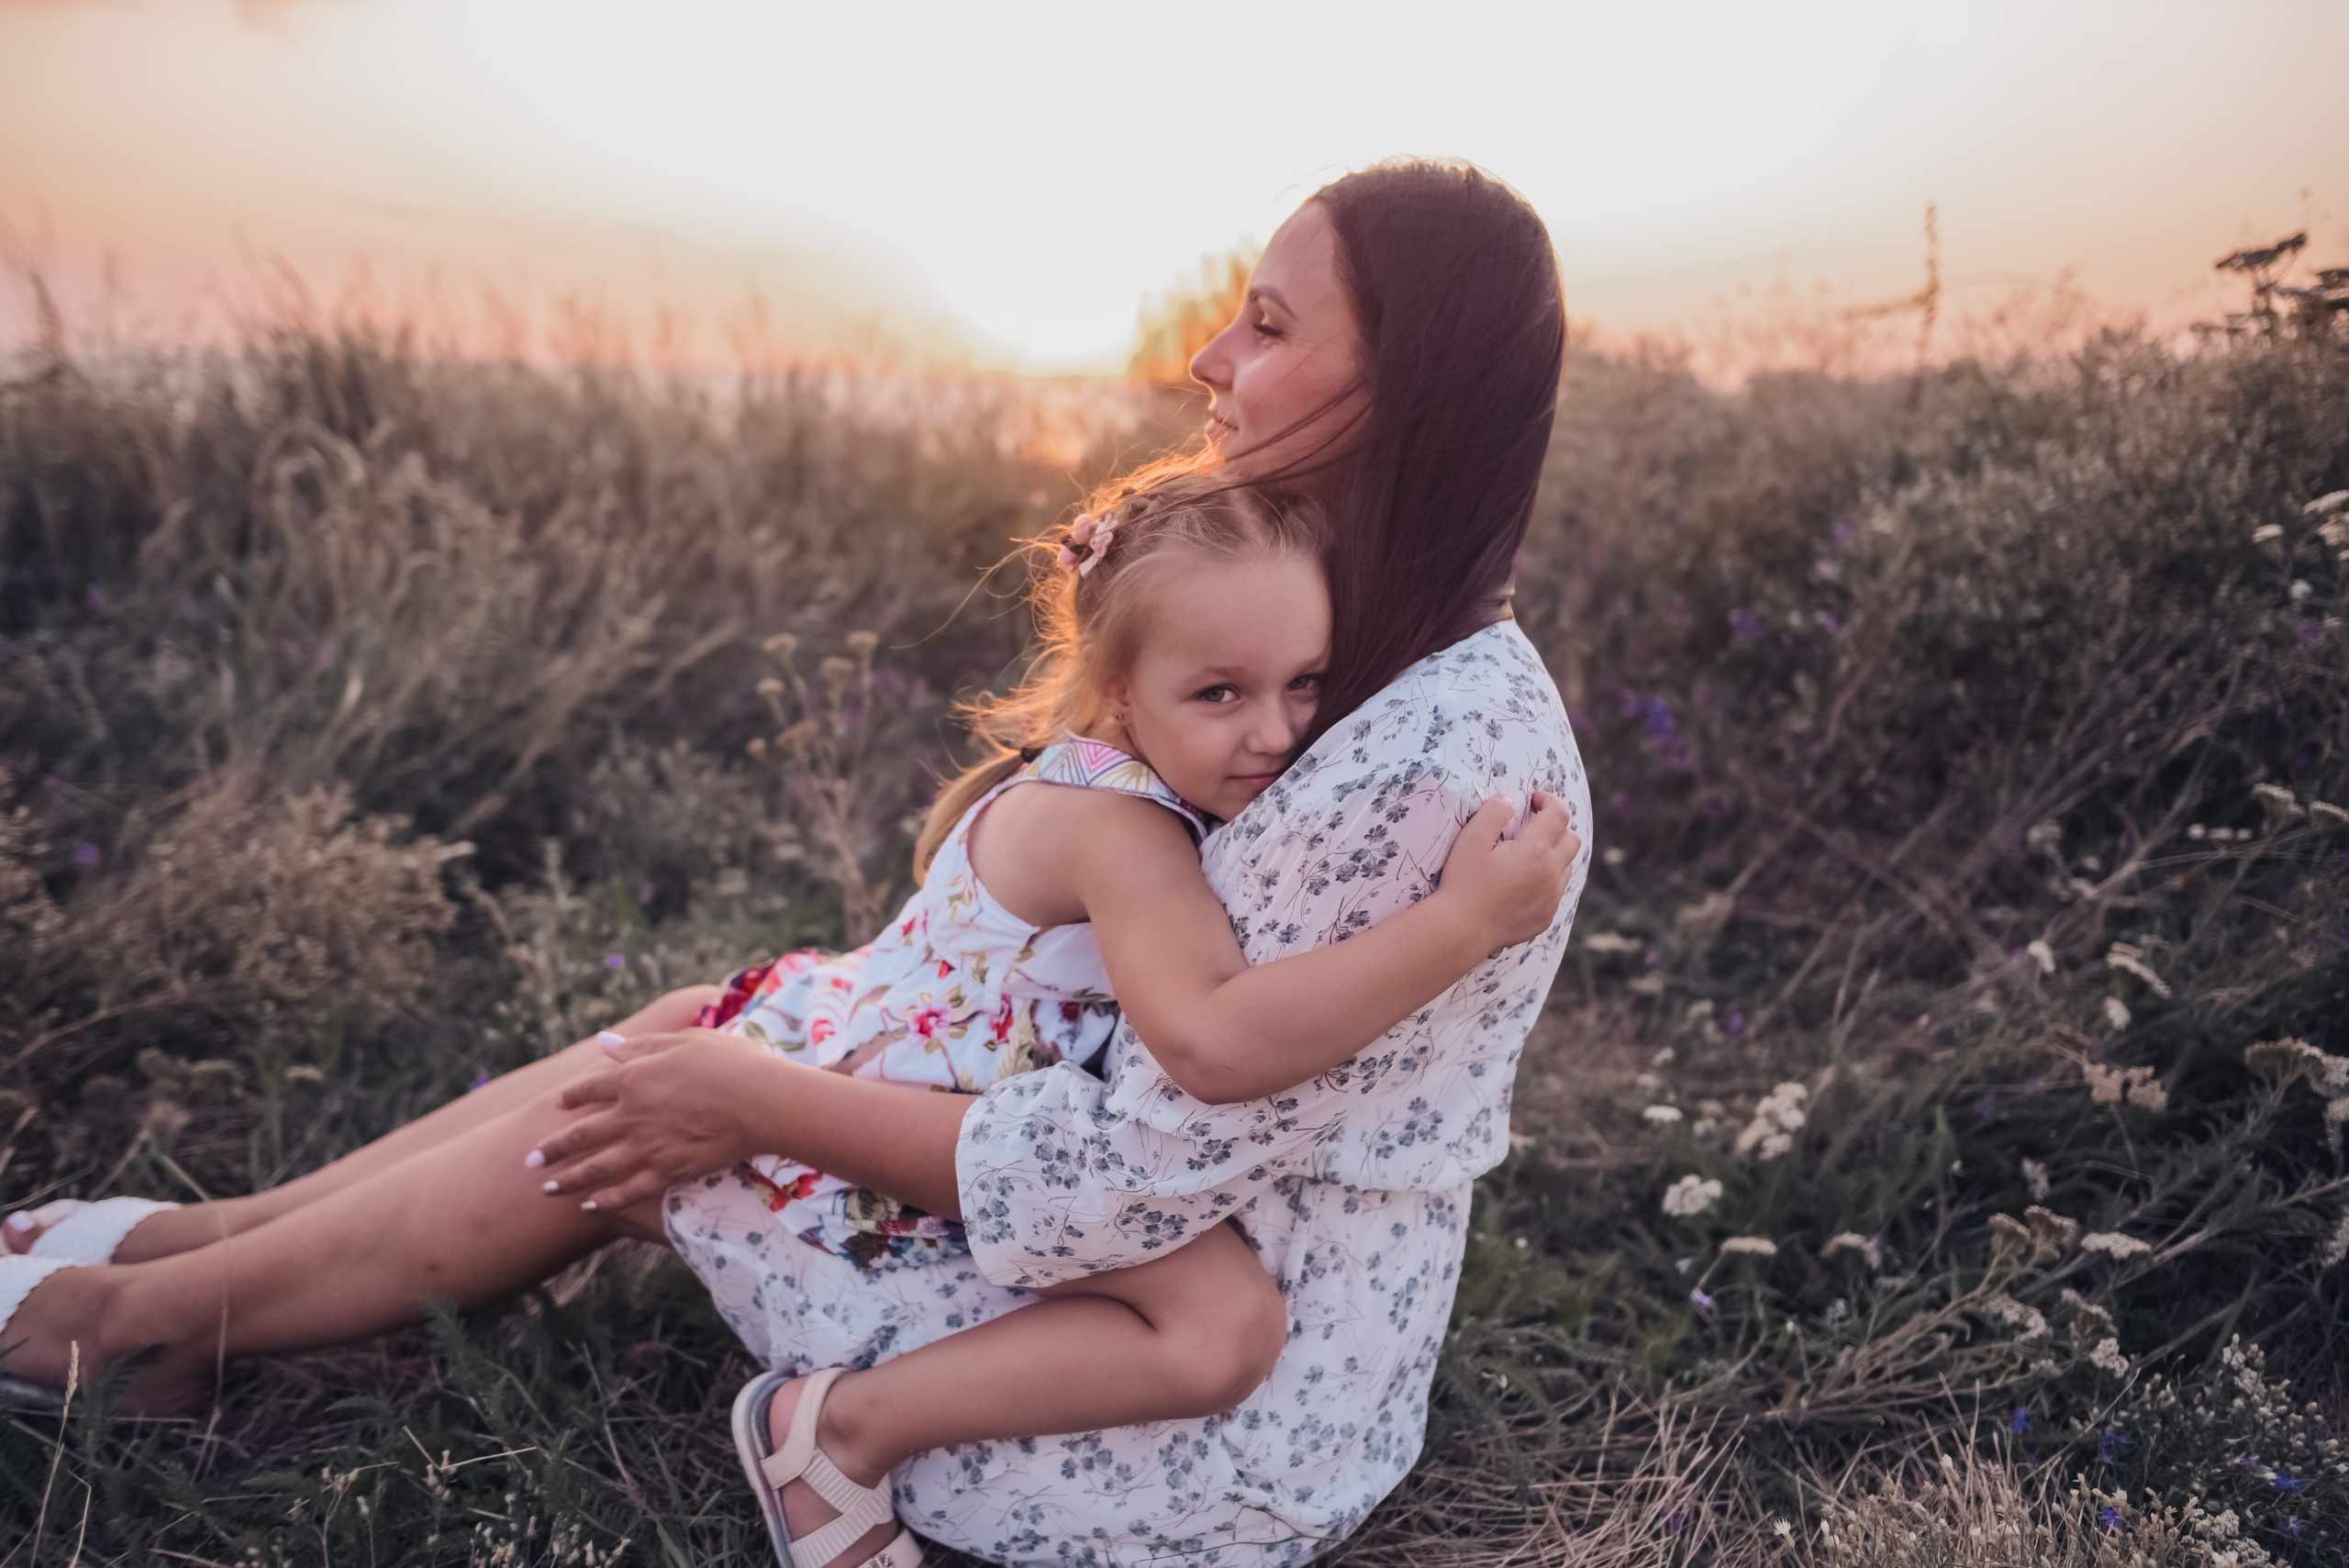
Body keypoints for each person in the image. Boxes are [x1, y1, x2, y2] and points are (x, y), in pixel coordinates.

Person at [3, 159, 1588, 1568]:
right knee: (715, 1027)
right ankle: (194, 1244)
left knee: (697, 1092)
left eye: (1265, 321)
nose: (1209, 357)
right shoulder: (1367, 627)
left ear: (1405, 381)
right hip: (1159, 1274)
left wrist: (751, 1102)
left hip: (1180, 1412)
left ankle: (143, 1327)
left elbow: (1129, 1172)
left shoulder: (1430, 753)